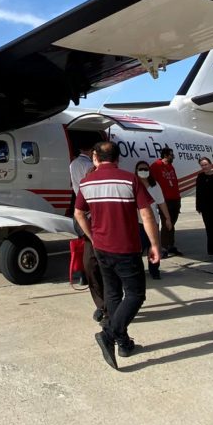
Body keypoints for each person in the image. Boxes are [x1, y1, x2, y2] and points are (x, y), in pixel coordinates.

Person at [74, 141, 160, 370]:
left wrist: (92, 237)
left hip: (101, 248)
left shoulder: (86, 183)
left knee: (112, 293)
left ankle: (123, 343)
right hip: (126, 248)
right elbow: (147, 215)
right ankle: (110, 335)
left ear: (95, 158)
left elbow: (78, 213)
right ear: (118, 158)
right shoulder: (129, 179)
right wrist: (154, 244)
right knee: (135, 294)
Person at [68, 141, 104, 320]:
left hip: (84, 215)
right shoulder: (88, 167)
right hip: (92, 217)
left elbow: (79, 212)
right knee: (101, 263)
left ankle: (83, 276)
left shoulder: (74, 164)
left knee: (89, 257)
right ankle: (107, 305)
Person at [134, 161, 171, 280]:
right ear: (136, 171)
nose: (143, 171)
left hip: (153, 221)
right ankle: (137, 271)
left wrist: (167, 218)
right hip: (138, 222)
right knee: (138, 248)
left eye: (145, 169)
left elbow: (161, 203)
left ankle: (154, 269)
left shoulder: (155, 185)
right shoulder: (133, 185)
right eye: (140, 169)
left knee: (153, 246)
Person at [148, 147, 182, 256]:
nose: (173, 157)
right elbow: (151, 181)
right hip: (165, 199)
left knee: (172, 223)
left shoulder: (171, 166)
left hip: (175, 198)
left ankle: (170, 245)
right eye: (171, 155)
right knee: (166, 223)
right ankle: (163, 247)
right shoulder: (156, 166)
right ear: (166, 155)